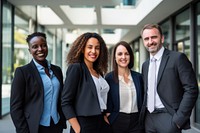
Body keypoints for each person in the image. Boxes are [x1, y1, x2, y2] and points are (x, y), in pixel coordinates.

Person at [140, 24, 199, 133]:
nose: (150, 41)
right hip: (148, 119)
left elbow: (191, 89)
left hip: (169, 118)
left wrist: (178, 119)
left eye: (154, 37)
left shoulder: (177, 58)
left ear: (162, 38)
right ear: (143, 42)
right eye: (146, 39)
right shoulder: (145, 65)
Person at [10, 32, 67, 133]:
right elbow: (15, 108)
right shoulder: (22, 72)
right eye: (35, 46)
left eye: (43, 45)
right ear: (30, 50)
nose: (40, 49)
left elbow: (61, 98)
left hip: (56, 125)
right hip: (35, 127)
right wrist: (23, 130)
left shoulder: (57, 70)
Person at [61, 32, 110, 133]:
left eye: (97, 48)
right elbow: (65, 102)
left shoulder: (98, 71)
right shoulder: (76, 68)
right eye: (90, 47)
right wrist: (78, 129)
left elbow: (100, 98)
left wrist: (104, 117)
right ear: (82, 49)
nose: (93, 51)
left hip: (100, 121)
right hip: (84, 124)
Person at [105, 41, 144, 133]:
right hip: (117, 121)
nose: (123, 57)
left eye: (126, 54)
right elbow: (105, 100)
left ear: (130, 56)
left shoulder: (139, 77)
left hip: (136, 122)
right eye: (120, 54)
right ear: (115, 57)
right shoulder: (109, 78)